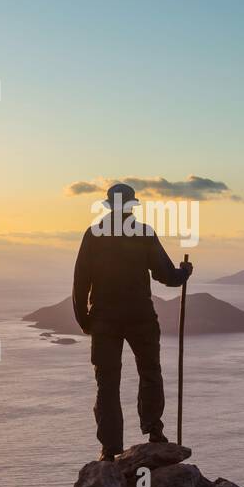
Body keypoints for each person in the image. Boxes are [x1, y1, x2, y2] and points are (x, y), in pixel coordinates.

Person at [72, 183, 193, 460]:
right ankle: (154, 430)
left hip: (104, 319)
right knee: (150, 372)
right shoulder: (143, 234)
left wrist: (85, 320)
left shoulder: (93, 236)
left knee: (107, 382)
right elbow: (166, 276)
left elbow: (80, 282)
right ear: (129, 207)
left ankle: (110, 448)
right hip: (140, 317)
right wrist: (184, 272)